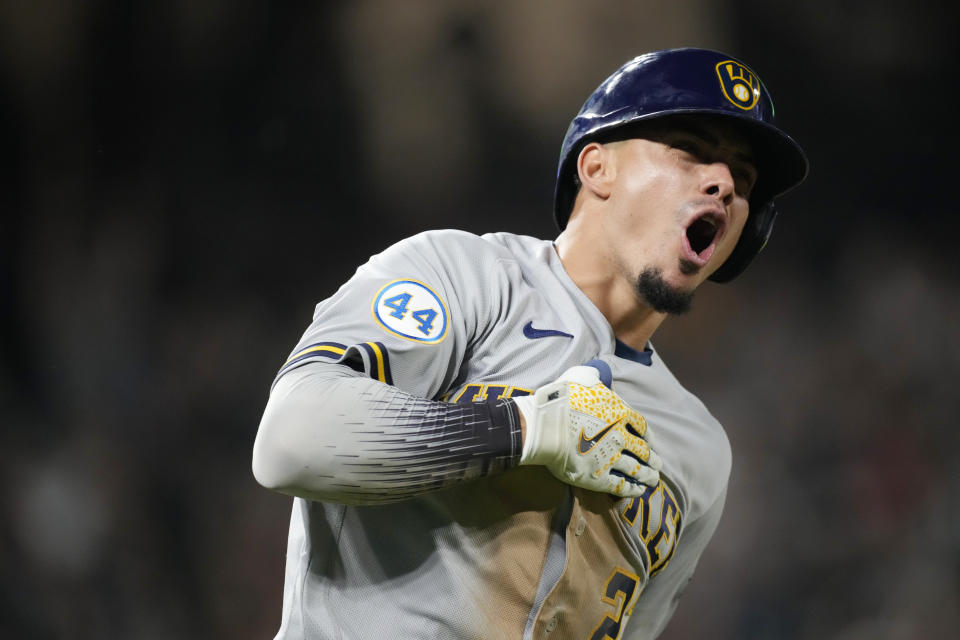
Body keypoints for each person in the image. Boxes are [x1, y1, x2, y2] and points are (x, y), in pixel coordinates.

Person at [252, 47, 808, 640]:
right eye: (692, 151)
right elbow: (289, 442)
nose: (723, 184)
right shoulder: (465, 274)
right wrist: (522, 430)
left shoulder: (699, 455)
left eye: (742, 179)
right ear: (597, 169)